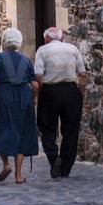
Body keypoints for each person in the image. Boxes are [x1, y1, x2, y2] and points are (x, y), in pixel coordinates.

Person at [0, 27, 39, 184]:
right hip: (24, 97)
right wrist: (33, 99)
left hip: (4, 96)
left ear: (4, 42)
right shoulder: (26, 60)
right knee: (22, 133)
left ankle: (6, 164)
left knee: (2, 129)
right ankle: (18, 175)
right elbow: (35, 85)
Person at [35, 27, 87, 179]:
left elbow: (38, 75)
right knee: (71, 131)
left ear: (47, 39)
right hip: (71, 91)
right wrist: (81, 94)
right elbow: (82, 74)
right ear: (62, 38)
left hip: (50, 90)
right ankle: (66, 167)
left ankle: (54, 157)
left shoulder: (42, 50)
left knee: (47, 128)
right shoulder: (73, 49)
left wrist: (40, 94)